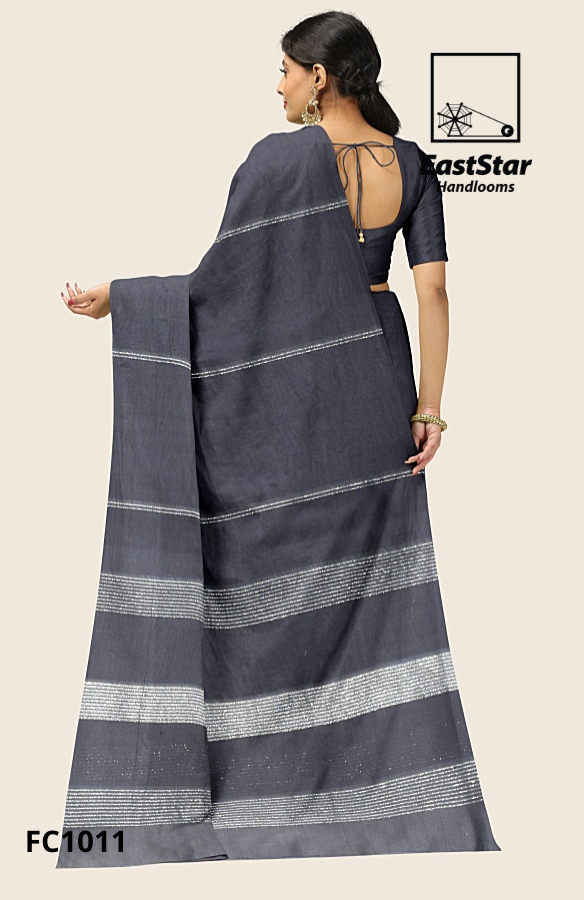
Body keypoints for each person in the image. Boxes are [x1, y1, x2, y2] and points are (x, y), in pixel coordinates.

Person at [56, 11, 500, 868]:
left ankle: (264, 790)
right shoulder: (414, 165)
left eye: (288, 70)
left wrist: (123, 299)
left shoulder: (278, 160)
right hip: (378, 387)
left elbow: (224, 286)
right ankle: (379, 802)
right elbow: (434, 294)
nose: (279, 85)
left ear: (320, 76)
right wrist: (431, 410)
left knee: (262, 568)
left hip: (295, 396)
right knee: (373, 596)